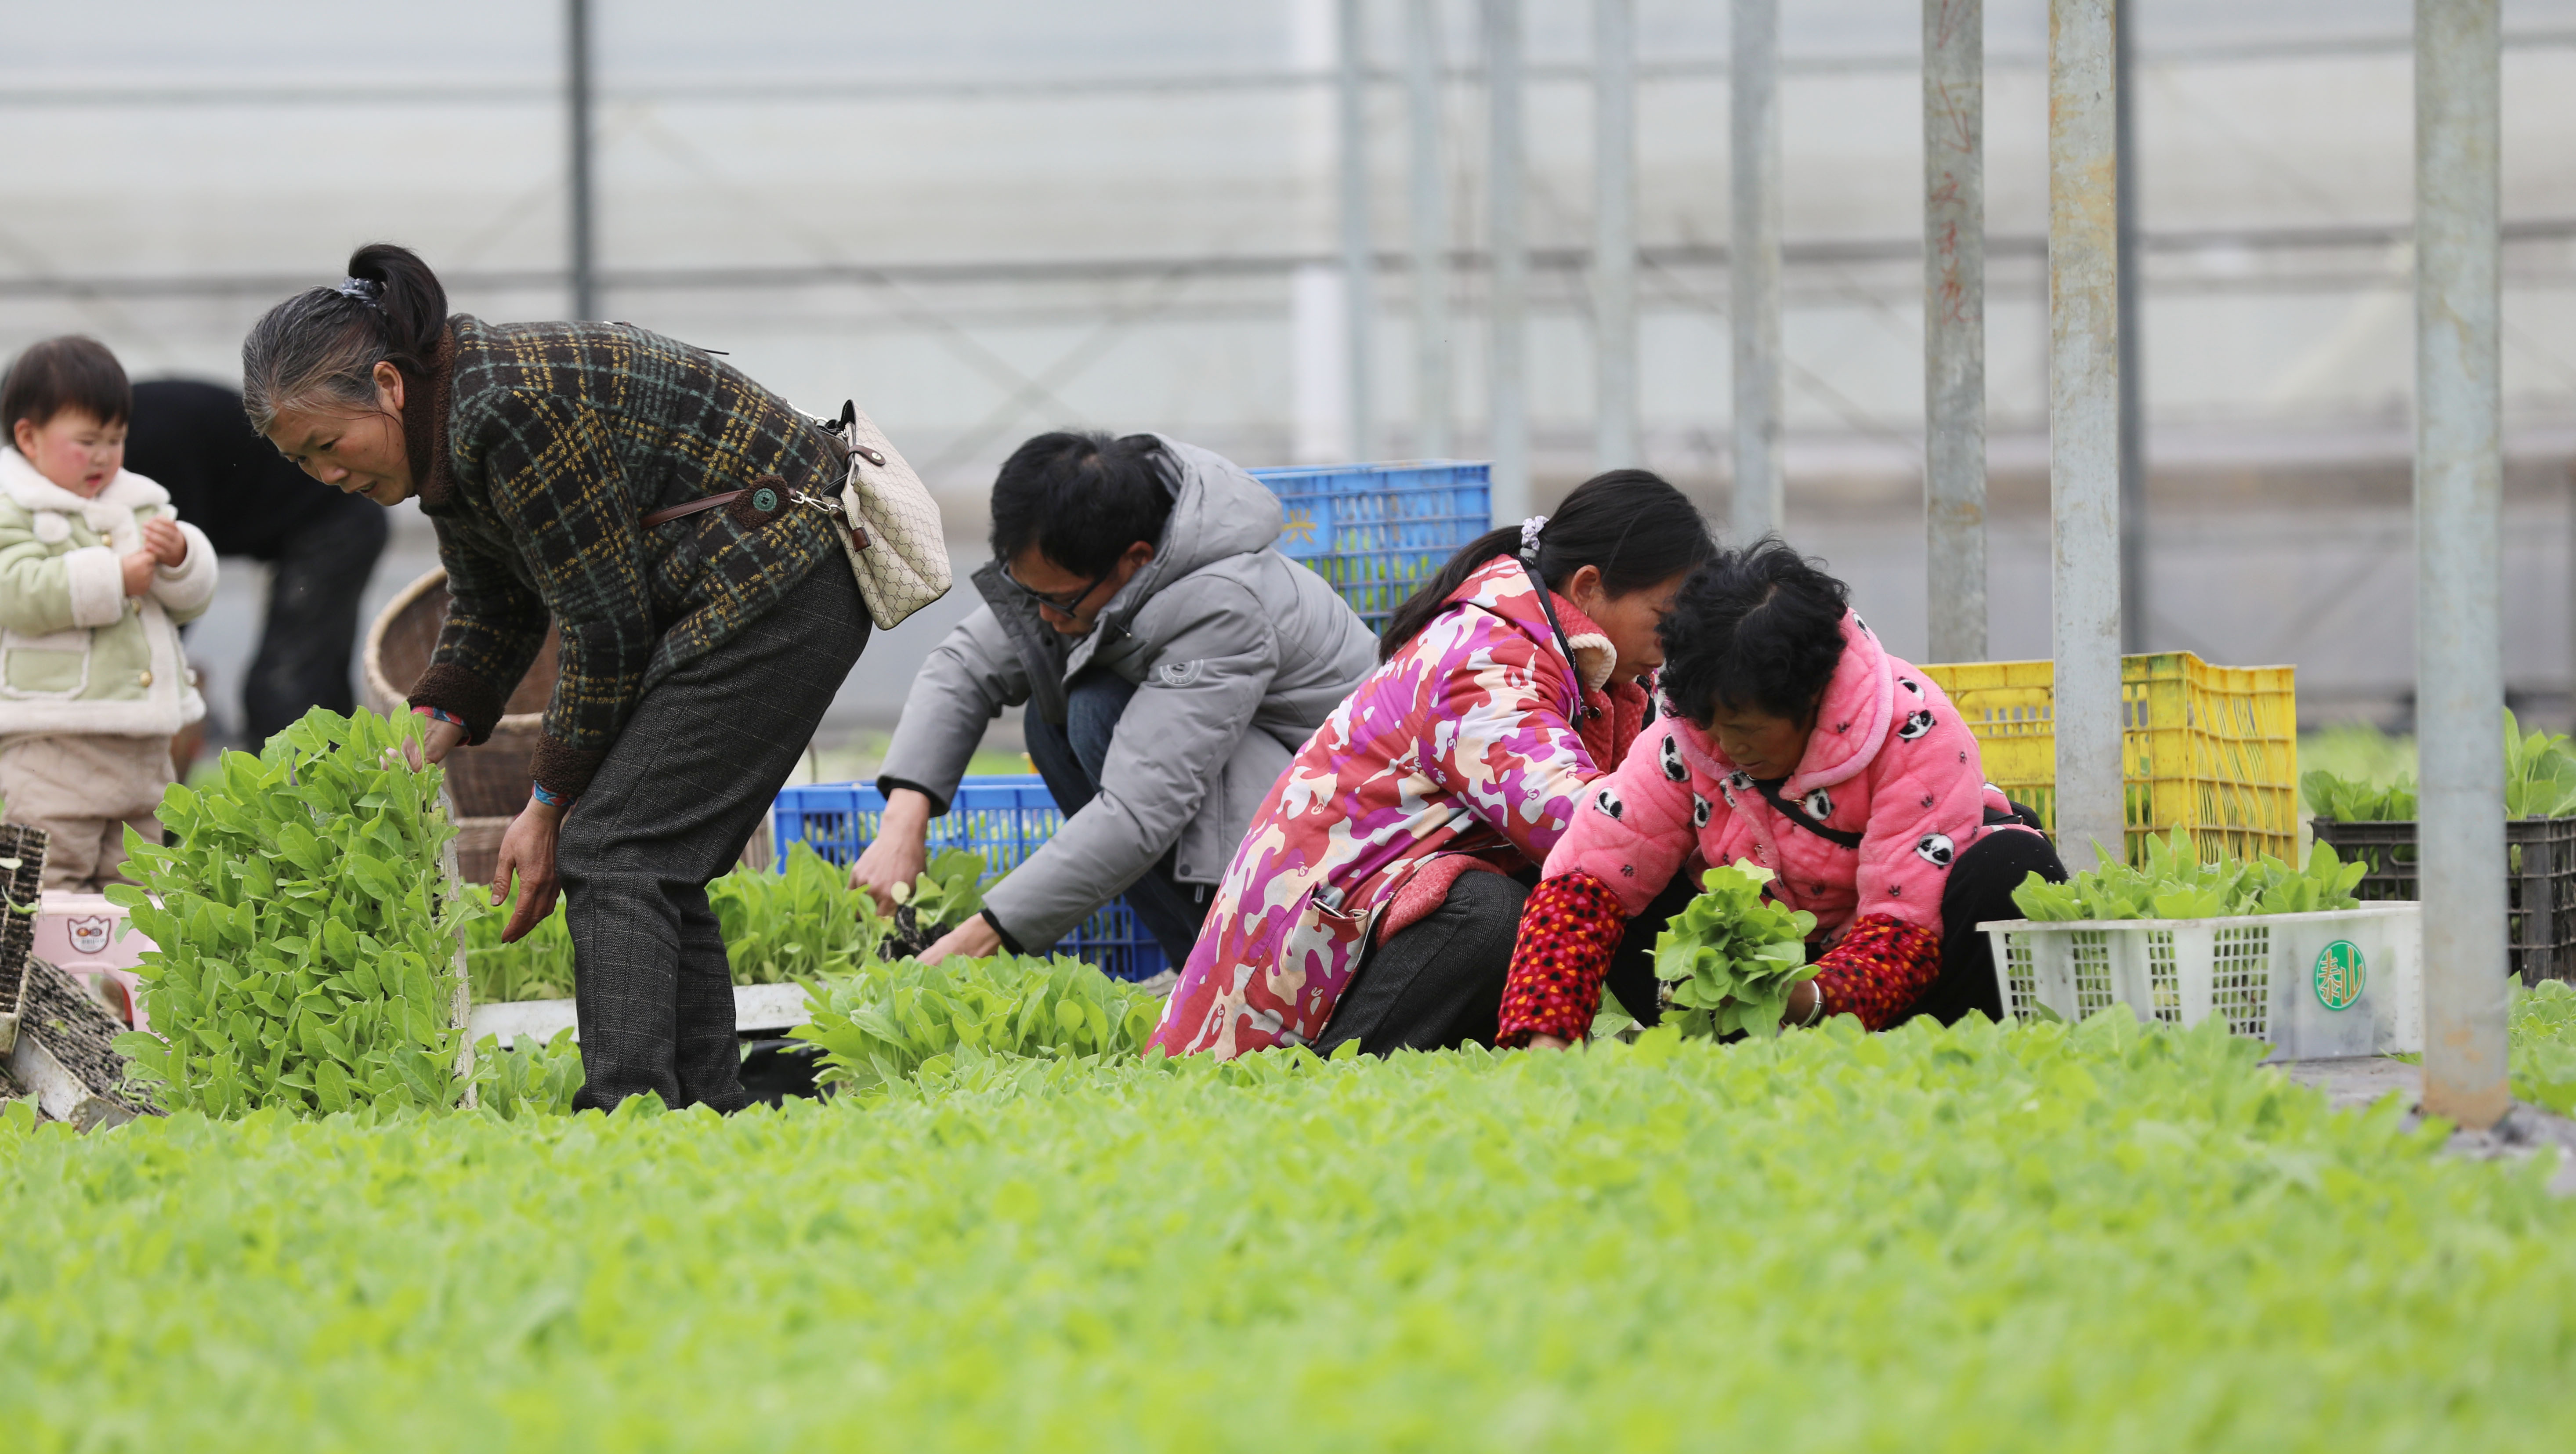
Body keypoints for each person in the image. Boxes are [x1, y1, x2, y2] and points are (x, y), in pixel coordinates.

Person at [240, 243, 875, 1113]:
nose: (328, 476)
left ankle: (630, 1114)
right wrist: (437, 719)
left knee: (613, 846)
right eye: (303, 464)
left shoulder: (506, 411)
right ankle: (702, 1113)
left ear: (388, 386)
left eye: (328, 445)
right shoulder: (446, 426)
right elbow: (493, 599)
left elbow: (601, 630)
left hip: (779, 578)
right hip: (718, 591)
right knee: (644, 851)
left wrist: (546, 803)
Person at [1152, 470, 1715, 1059]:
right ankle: (1331, 1080)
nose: (1675, 639)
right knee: (1505, 909)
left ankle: (1725, 1035)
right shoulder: (1484, 658)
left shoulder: (1584, 664)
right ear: (1589, 587)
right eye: (1666, 615)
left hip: (1368, 932)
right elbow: (1579, 823)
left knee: (1626, 866)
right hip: (1283, 993)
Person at [1495, 539, 2066, 1046]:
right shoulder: (1689, 735)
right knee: (1612, 877)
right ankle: (1732, 1041)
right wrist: (1545, 1032)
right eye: (1709, 725)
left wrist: (1807, 1000)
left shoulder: (1914, 728)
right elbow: (1589, 874)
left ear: (1811, 699)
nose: (1723, 746)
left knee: (2010, 866)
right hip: (1758, 983)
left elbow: (1905, 923)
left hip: (1902, 980)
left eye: (1743, 728)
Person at [850, 431, 1375, 969]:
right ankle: (1194, 966)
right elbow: (965, 664)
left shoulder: (1225, 604)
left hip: (1349, 846)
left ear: (1135, 559)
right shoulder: (1101, 543)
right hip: (1275, 812)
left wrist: (975, 941)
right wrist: (902, 827)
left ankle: (1243, 973)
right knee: (1051, 721)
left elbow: (1138, 813)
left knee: (1096, 708)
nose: (1045, 616)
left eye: (1058, 600)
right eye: (1027, 591)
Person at [0, 334, 217, 891]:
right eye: (87, 440)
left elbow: (187, 601)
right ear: (29, 438)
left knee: (137, 882)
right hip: (54, 740)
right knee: (50, 873)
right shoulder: (6, 518)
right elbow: (10, 590)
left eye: (116, 439)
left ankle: (123, 981)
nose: (104, 455)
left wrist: (181, 559)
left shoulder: (141, 505)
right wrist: (110, 576)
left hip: (142, 745)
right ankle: (53, 979)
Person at [119, 377, 391, 750]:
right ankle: (346, 791)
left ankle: (292, 802)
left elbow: (179, 573)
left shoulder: (149, 440)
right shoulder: (113, 434)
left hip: (335, 518)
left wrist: (146, 660)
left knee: (284, 687)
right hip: (305, 523)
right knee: (316, 682)